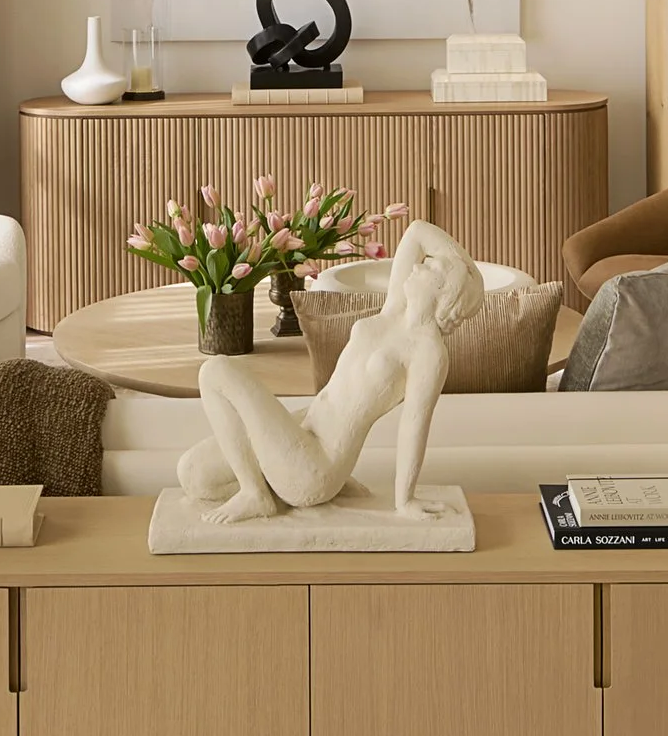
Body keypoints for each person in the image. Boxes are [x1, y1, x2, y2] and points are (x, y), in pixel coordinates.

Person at [179, 218, 485, 523]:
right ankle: (262, 484)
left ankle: (255, 494)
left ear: (446, 292)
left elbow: (414, 427)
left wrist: (404, 500)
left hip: (317, 465)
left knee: (215, 371)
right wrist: (472, 276)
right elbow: (417, 231)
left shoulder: (428, 353)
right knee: (193, 475)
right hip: (302, 428)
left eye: (431, 268)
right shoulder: (394, 309)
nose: (418, 266)